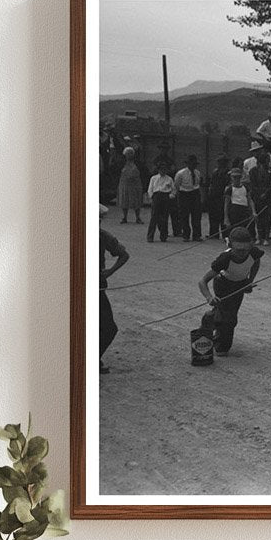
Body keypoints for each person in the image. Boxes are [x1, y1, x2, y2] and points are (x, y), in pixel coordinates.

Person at [199, 227, 264, 356]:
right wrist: (209, 297)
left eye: (245, 250)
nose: (242, 254)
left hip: (239, 285)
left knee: (229, 314)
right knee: (229, 318)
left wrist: (249, 281)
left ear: (250, 245)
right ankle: (222, 347)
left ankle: (210, 319)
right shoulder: (224, 259)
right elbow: (202, 282)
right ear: (230, 245)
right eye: (238, 250)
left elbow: (256, 262)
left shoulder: (253, 252)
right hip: (223, 284)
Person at [99, 217, 130, 373]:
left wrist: (109, 272)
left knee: (109, 328)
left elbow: (124, 255)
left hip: (96, 287)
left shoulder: (103, 236)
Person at [174, 155, 204, 242]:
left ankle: (197, 235)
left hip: (194, 193)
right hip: (184, 193)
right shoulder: (180, 173)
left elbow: (198, 184)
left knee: (196, 215)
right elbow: (176, 185)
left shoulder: (197, 173)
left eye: (195, 164)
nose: (193, 166)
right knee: (184, 215)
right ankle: (186, 235)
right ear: (188, 164)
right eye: (191, 164)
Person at [223, 166, 256, 237]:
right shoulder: (229, 189)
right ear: (231, 178)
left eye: (238, 177)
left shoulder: (245, 188)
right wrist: (226, 218)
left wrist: (253, 211)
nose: (236, 179)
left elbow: (250, 200)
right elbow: (226, 204)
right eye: (234, 177)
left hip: (244, 211)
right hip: (234, 212)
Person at [146, 165, 175, 243]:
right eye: (161, 169)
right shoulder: (154, 178)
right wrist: (152, 196)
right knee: (154, 217)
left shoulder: (169, 179)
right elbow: (150, 188)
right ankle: (150, 236)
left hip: (165, 196)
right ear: (158, 170)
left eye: (164, 169)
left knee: (164, 217)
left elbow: (173, 189)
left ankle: (163, 235)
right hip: (156, 195)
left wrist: (170, 196)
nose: (163, 171)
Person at [205, 155, 230, 239]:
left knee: (223, 215)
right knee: (213, 215)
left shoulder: (228, 173)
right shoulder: (215, 172)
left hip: (222, 196)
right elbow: (212, 183)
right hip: (214, 197)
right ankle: (213, 233)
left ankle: (225, 234)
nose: (219, 164)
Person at [116, 147, 143, 224]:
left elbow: (143, 172)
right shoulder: (121, 163)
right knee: (124, 200)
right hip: (124, 184)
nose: (129, 155)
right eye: (127, 154)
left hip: (135, 184)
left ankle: (138, 217)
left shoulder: (138, 163)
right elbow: (117, 172)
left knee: (136, 200)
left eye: (131, 154)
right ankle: (124, 217)